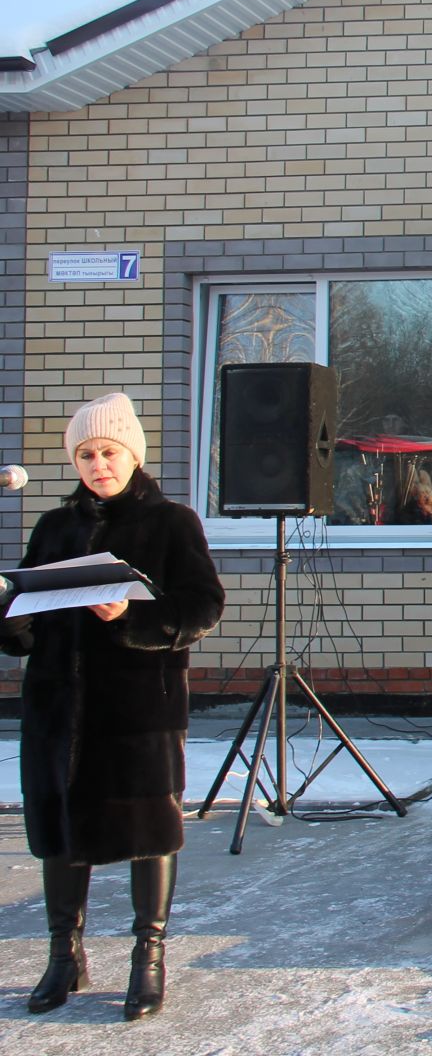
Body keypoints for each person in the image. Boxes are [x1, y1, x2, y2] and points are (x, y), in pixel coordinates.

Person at [0, 393, 226, 1021]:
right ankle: (63, 955)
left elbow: (202, 606)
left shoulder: (171, 522)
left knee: (149, 832)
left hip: (136, 710)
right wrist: (9, 612)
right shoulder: (54, 527)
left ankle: (147, 958)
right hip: (57, 706)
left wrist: (133, 616)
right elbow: (24, 618)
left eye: (108, 452)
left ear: (132, 455)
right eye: (86, 454)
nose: (98, 464)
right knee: (58, 832)